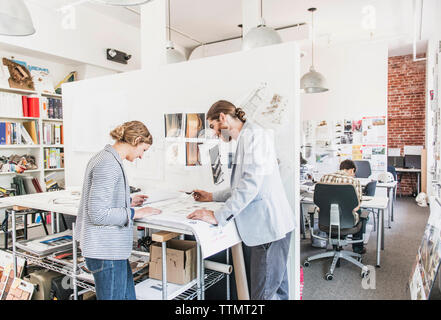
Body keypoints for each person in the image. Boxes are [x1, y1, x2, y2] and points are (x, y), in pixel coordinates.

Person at [186, 100, 295, 300]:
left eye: (213, 126)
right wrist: (212, 196)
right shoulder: (247, 138)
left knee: (263, 296)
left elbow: (250, 185)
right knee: (276, 292)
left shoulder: (255, 136)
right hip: (268, 229)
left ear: (222, 118)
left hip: (268, 229)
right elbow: (242, 186)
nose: (214, 133)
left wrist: (218, 216)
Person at [76, 121, 162, 300]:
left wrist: (128, 201)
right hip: (105, 252)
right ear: (136, 140)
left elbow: (104, 200)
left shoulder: (106, 158)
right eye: (143, 150)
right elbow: (98, 213)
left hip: (112, 251)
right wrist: (135, 213)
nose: (141, 156)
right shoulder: (108, 163)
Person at [320, 159, 367, 254]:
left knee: (331, 211)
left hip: (326, 221)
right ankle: (358, 248)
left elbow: (318, 201)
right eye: (354, 173)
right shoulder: (354, 181)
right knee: (360, 212)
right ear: (351, 170)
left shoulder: (324, 177)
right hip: (347, 222)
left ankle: (336, 245)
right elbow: (356, 205)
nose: (353, 175)